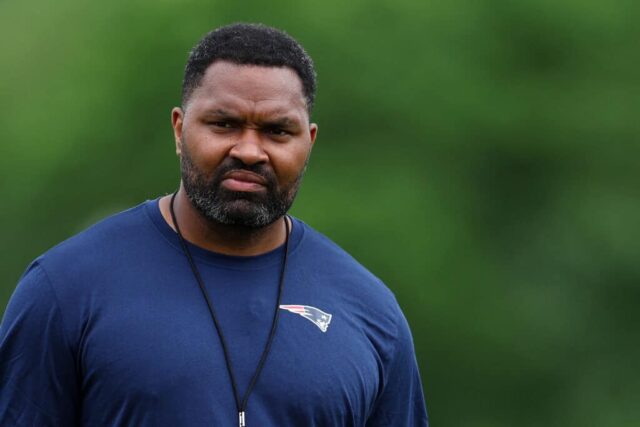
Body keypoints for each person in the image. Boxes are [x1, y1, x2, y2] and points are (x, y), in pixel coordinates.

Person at [0, 23, 428, 426]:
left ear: (309, 142)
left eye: (278, 131)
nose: (249, 150)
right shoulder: (65, 290)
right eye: (224, 124)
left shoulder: (372, 315)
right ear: (179, 129)